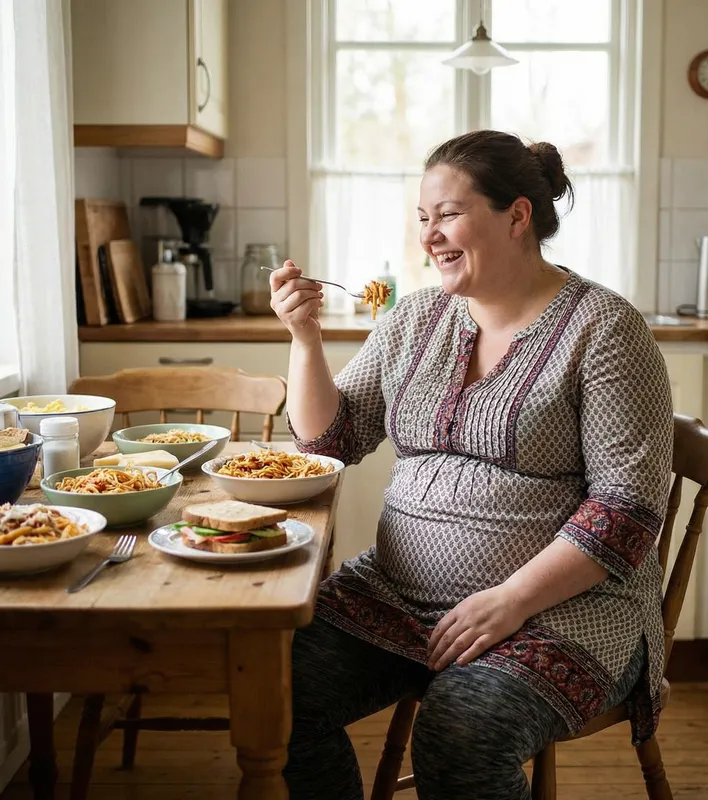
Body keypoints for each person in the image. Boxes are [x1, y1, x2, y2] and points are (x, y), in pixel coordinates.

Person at [270, 129, 673, 800]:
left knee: (460, 731)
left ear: (517, 217)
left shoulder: (604, 330)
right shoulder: (413, 318)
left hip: (561, 614)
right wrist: (304, 338)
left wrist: (510, 601)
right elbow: (329, 442)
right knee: (275, 688)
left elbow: (625, 514)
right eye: (422, 218)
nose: (429, 236)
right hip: (397, 598)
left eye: (448, 214)